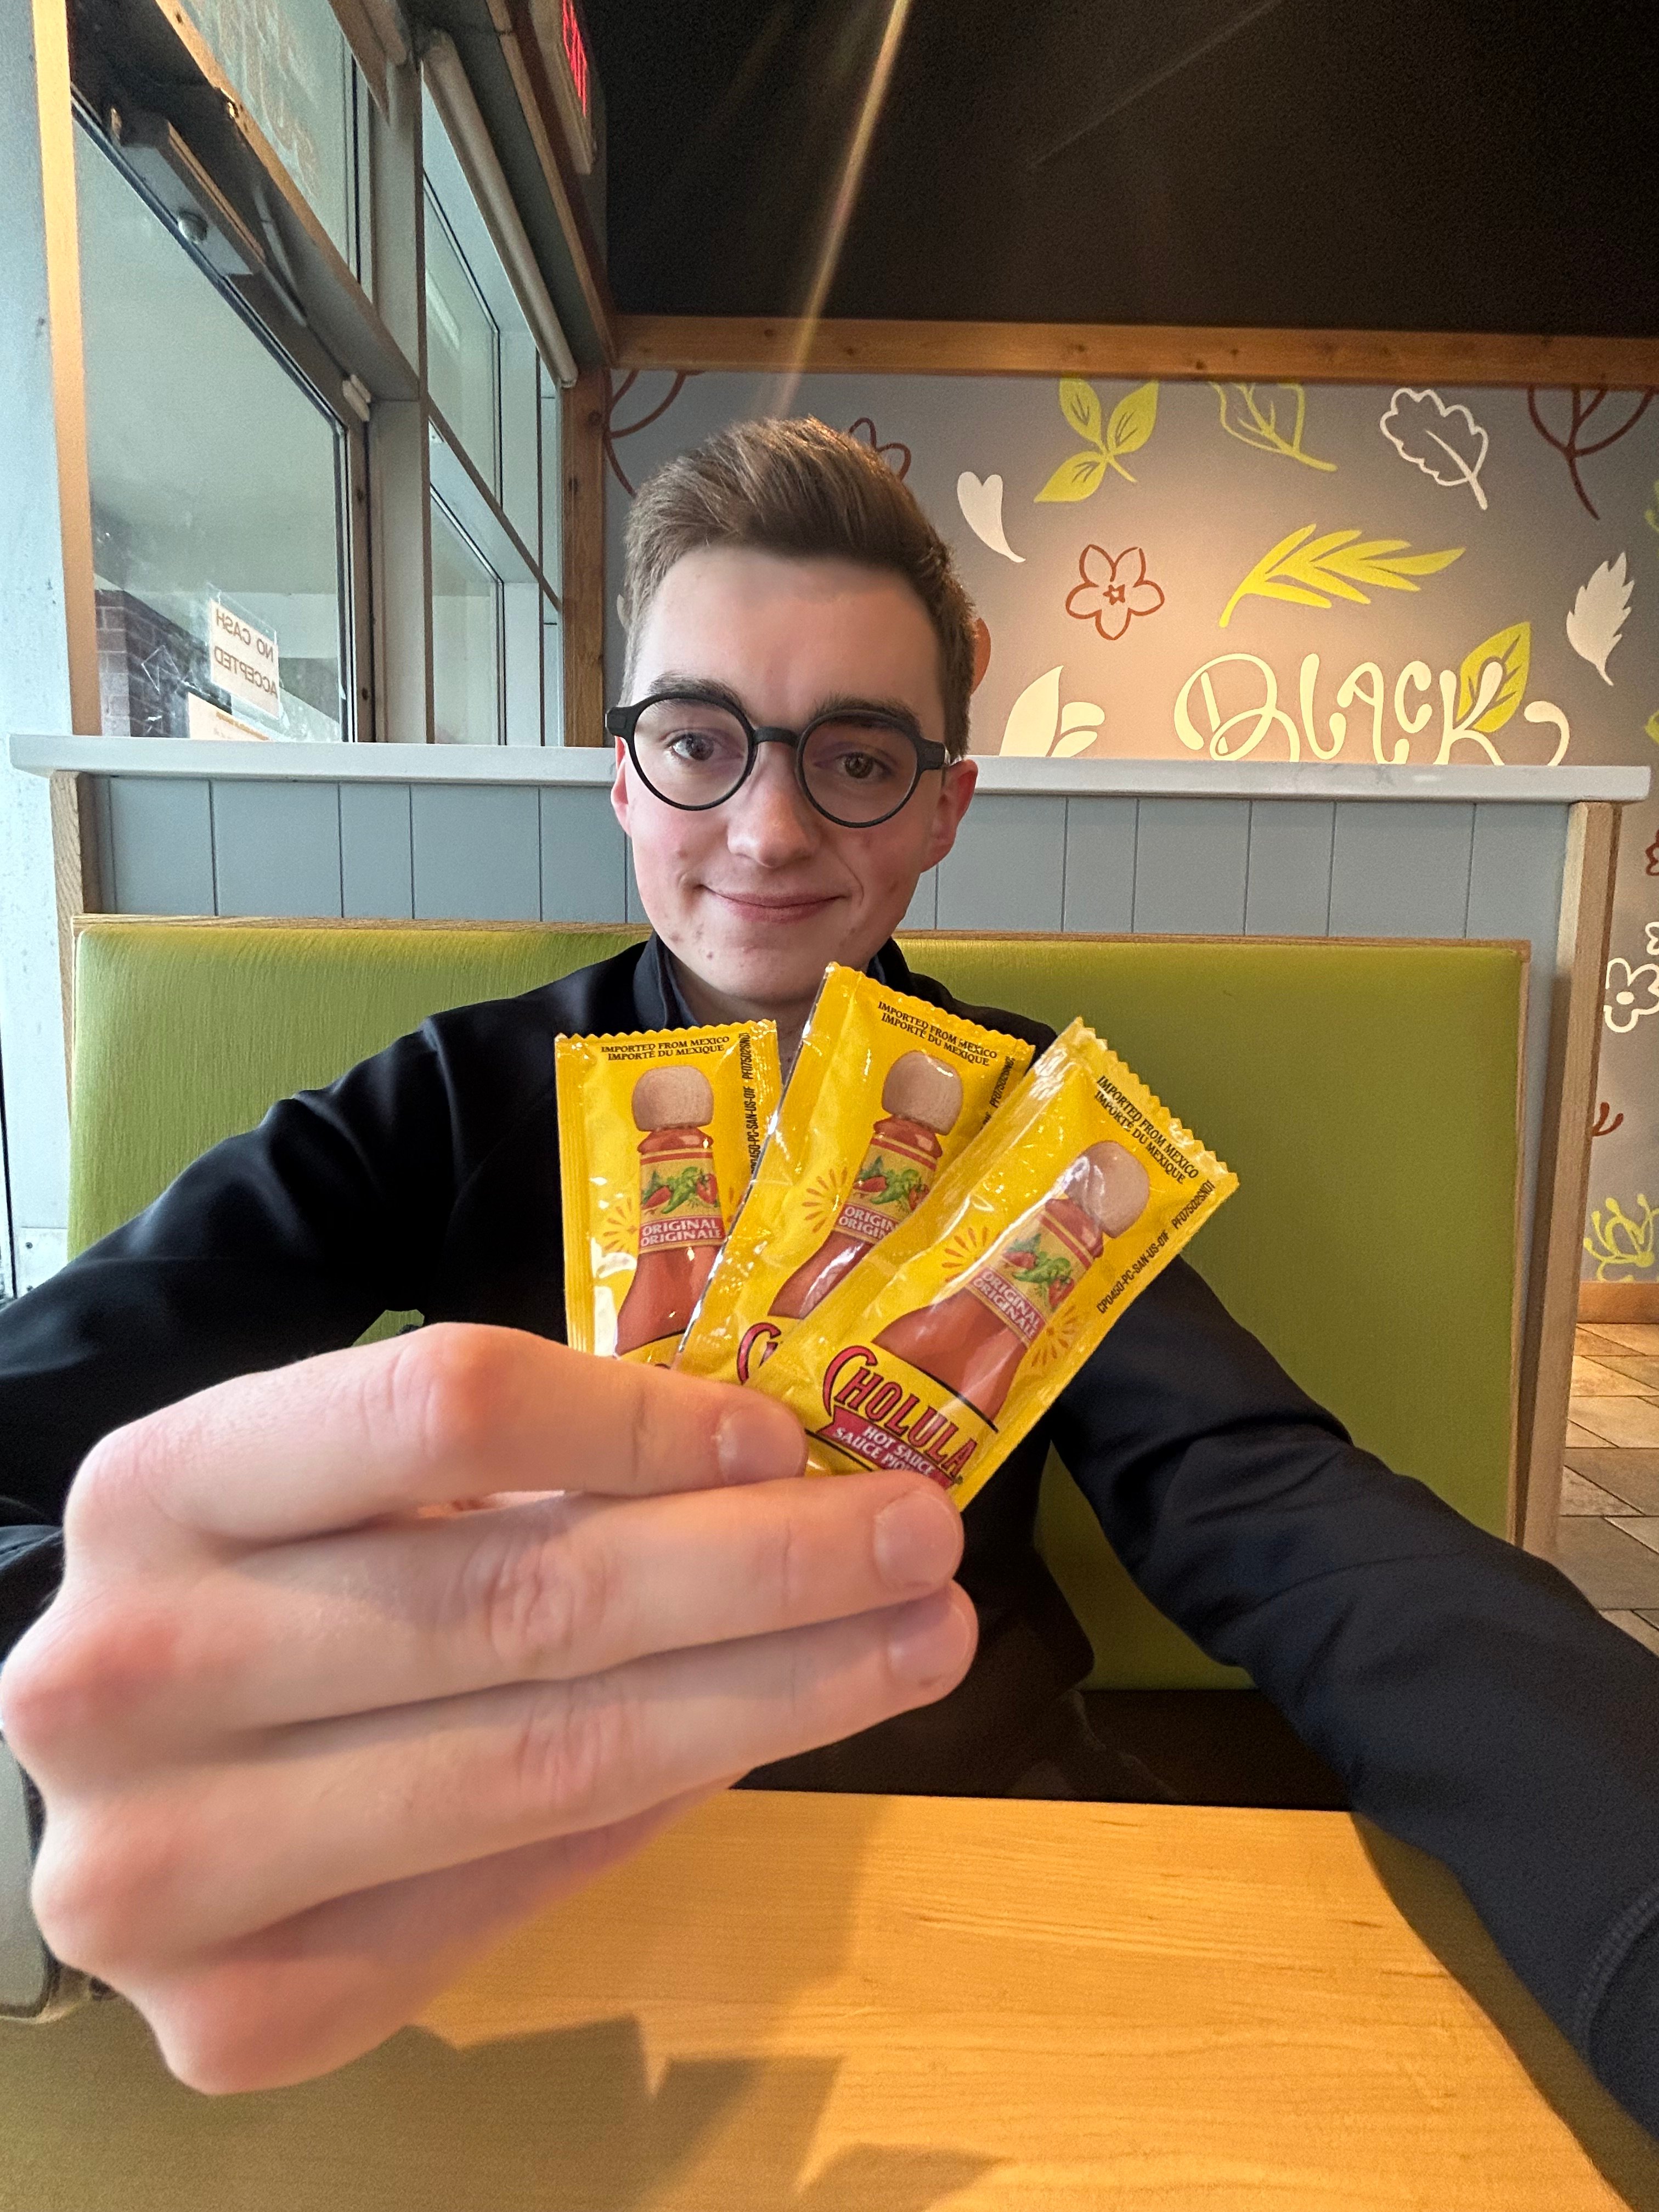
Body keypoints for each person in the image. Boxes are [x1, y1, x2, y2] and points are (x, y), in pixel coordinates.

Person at [2, 421, 1658, 2123]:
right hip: (510, 1872)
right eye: (702, 742)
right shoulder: (448, 1099)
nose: (772, 827)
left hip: (972, 1822)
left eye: (856, 757)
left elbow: (1270, 1505)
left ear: (945, 803)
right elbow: (36, 1411)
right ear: (625, 773)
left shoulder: (1035, 1136)